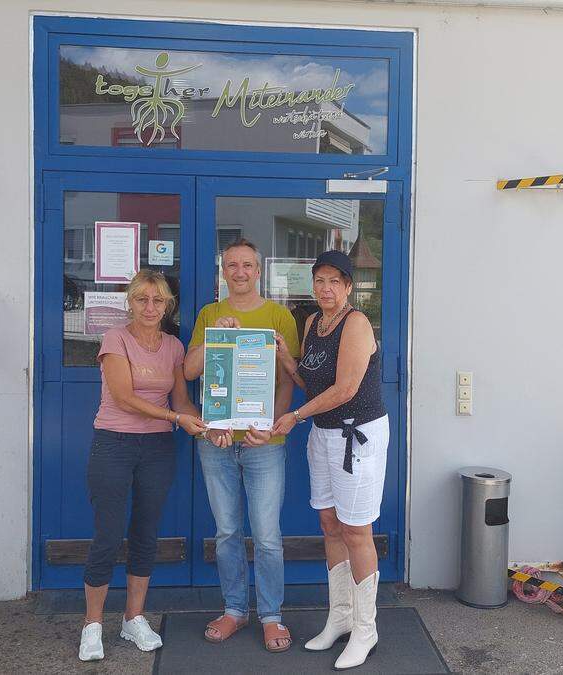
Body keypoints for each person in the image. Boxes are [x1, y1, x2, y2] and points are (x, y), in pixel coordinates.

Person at [79, 270, 208, 662]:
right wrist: (175, 418)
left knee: (145, 533)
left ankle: (133, 618)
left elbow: (181, 401)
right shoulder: (115, 338)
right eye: (141, 300)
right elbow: (123, 397)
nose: (149, 308)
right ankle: (93, 624)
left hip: (157, 448)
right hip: (113, 444)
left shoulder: (172, 345)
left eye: (158, 301)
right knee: (108, 533)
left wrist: (207, 424)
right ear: (129, 302)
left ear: (168, 305)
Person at [271, 249, 388, 671]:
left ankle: (365, 627)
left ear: (349, 286)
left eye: (334, 281)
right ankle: (340, 616)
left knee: (357, 529)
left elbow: (344, 389)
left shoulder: (356, 324)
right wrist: (286, 355)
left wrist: (295, 416)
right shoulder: (313, 323)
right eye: (319, 280)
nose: (325, 288)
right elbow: (309, 378)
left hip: (356, 434)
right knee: (329, 523)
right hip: (323, 434)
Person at [184, 239, 301, 653]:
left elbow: (288, 378)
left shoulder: (279, 315)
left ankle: (272, 616)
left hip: (264, 441)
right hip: (215, 439)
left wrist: (270, 426)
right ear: (223, 271)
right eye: (231, 265)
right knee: (227, 532)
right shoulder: (210, 313)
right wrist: (216, 338)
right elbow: (191, 370)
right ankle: (234, 609)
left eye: (246, 265)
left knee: (268, 536)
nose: (238, 271)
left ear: (258, 270)